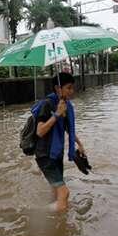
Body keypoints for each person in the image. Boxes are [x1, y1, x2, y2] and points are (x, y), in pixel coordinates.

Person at [35, 72, 87, 212]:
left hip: (56, 154)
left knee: (57, 191)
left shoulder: (65, 105)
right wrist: (57, 114)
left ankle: (57, 219)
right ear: (58, 88)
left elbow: (68, 129)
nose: (72, 91)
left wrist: (80, 144)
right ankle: (38, 213)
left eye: (72, 88)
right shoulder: (47, 104)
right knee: (65, 193)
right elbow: (40, 131)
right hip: (45, 155)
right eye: (68, 88)